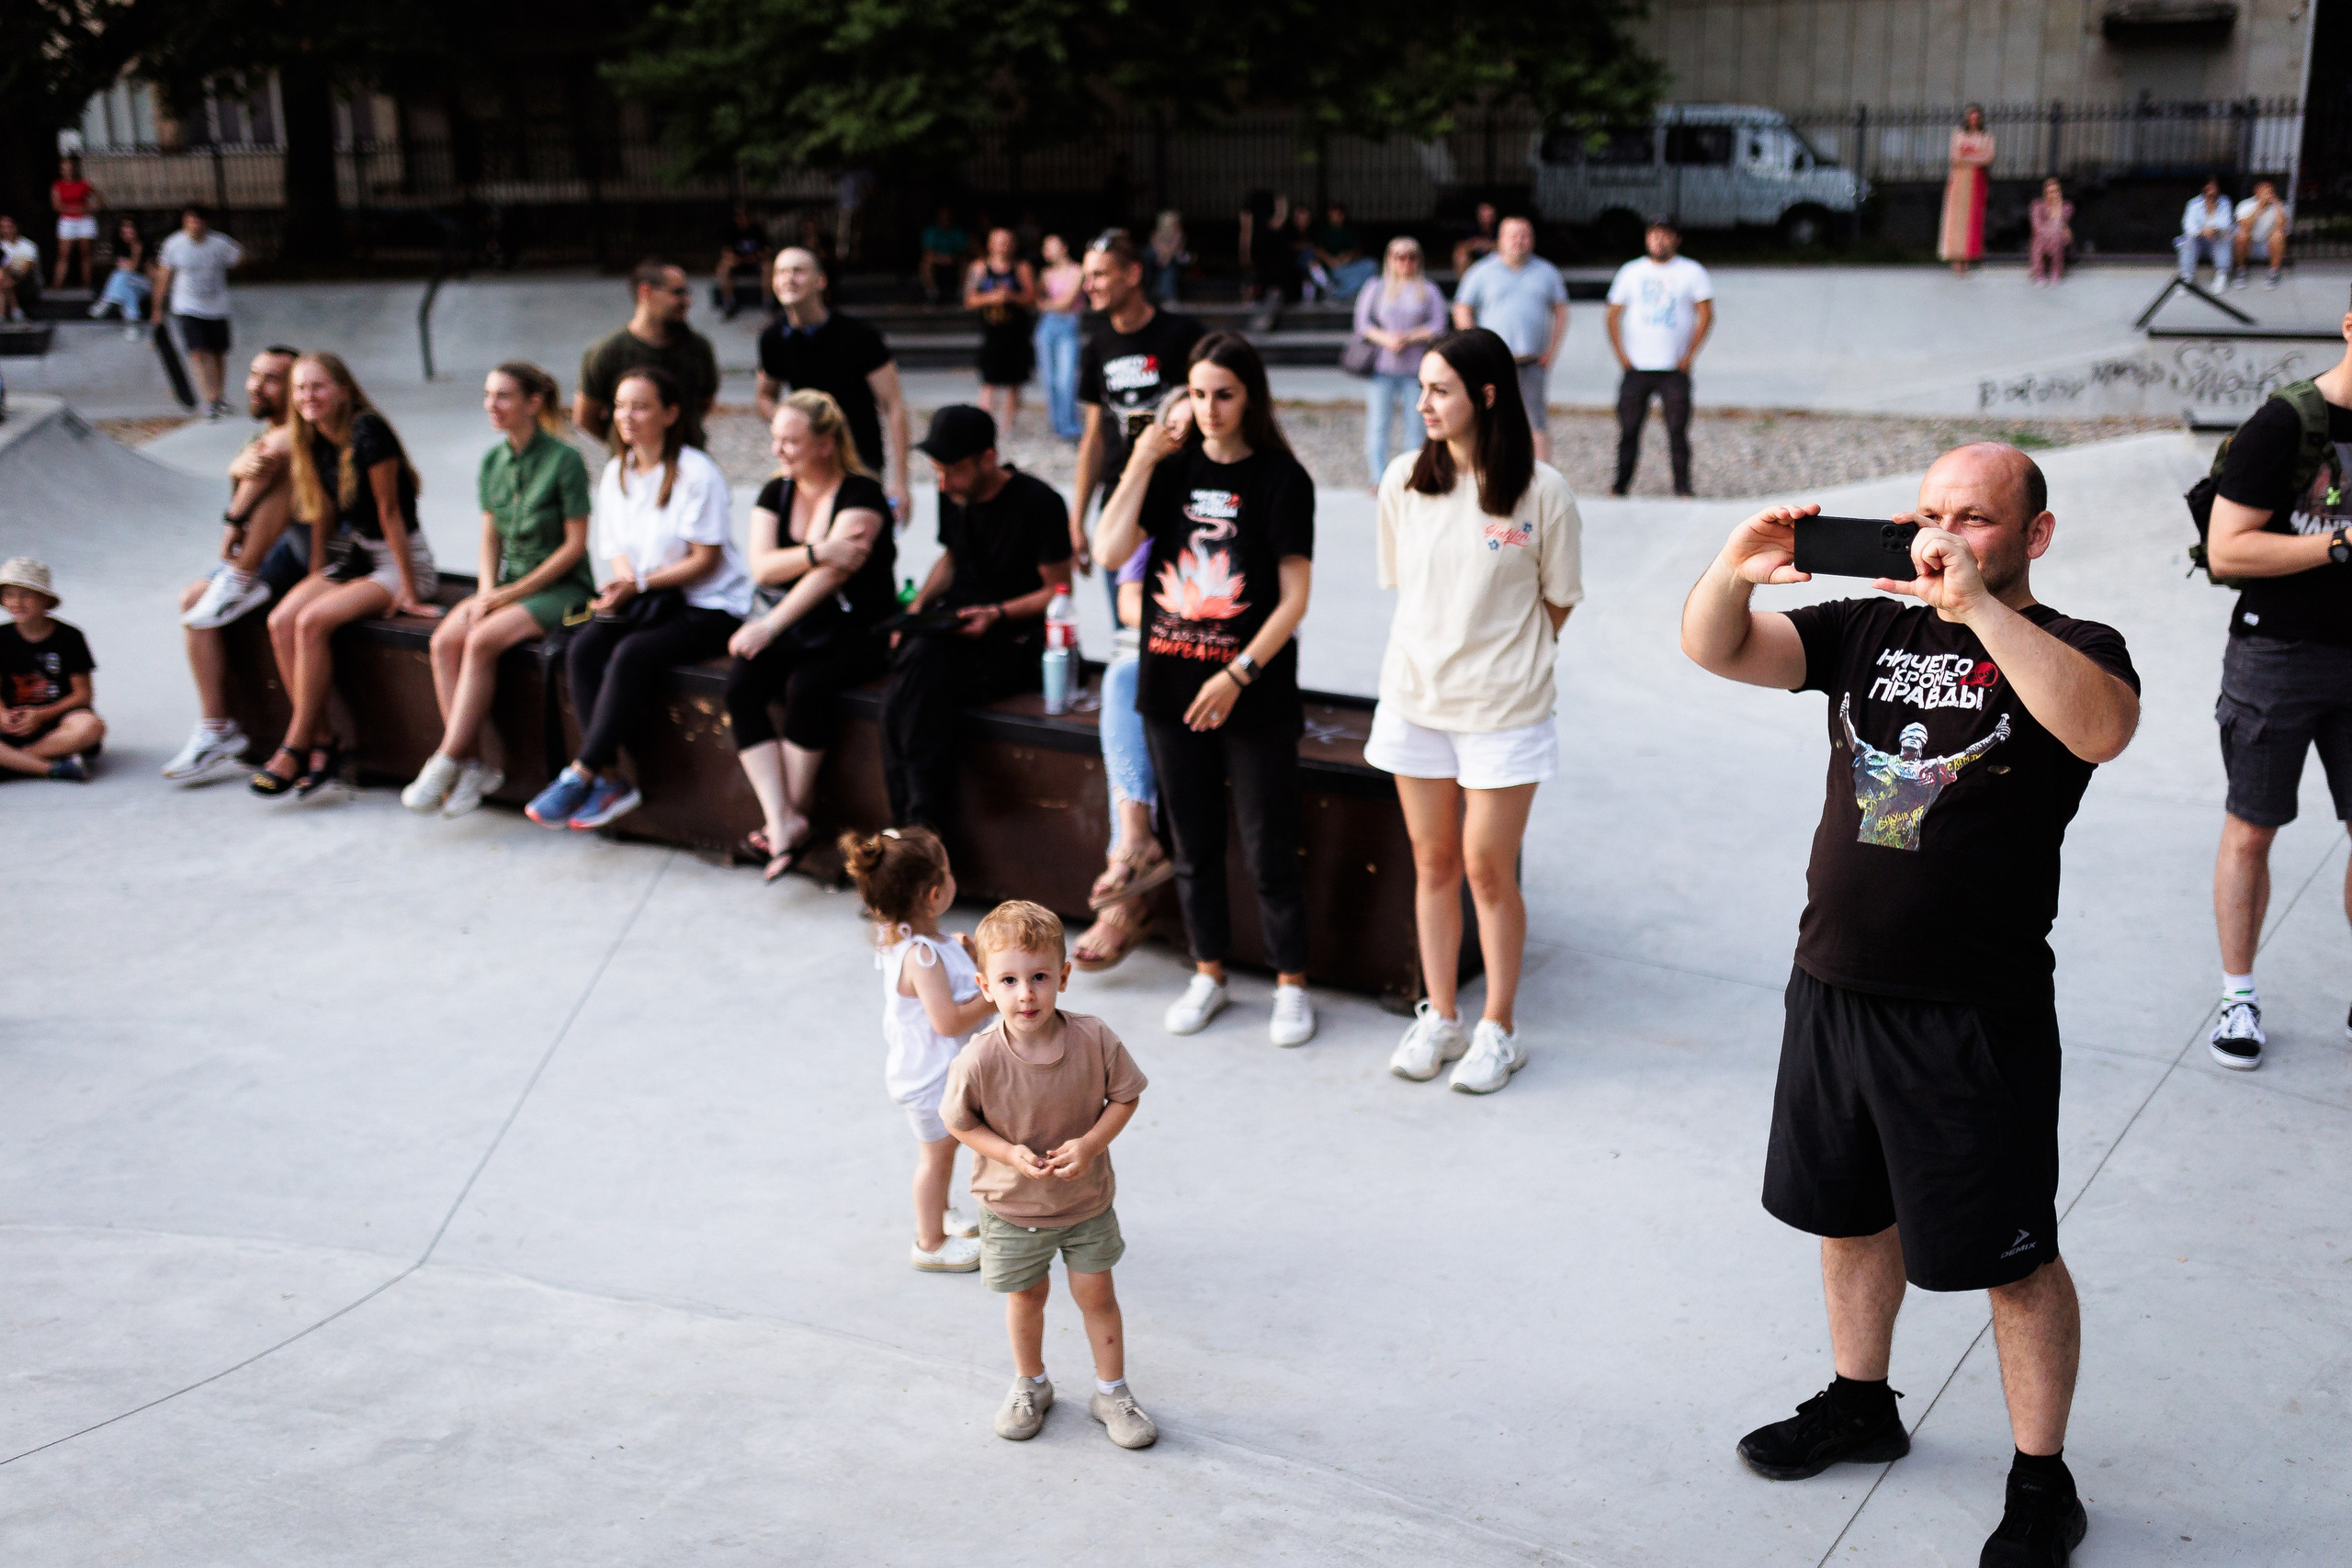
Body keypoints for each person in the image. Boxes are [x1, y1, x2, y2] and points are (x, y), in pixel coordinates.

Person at [1679, 446, 2141, 1568]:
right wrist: (1734, 567)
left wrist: (1978, 607)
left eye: (1974, 520)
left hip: (1971, 1012)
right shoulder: (1863, 630)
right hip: (1834, 983)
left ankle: (2042, 1482)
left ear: (2031, 535)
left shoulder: (2073, 647)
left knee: (2012, 1260)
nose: (1941, 536)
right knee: (1847, 1216)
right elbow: (1717, 647)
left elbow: (2100, 729)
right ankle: (1859, 1402)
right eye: (1929, 515)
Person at [1374, 328, 1582, 1095]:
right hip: (1414, 701)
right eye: (1421, 388)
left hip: (1507, 710)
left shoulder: (1543, 493)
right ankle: (1442, 1016)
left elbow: (1558, 600)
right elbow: (1406, 586)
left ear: (1487, 395)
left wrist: (1508, 660)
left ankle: (1498, 1026)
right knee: (1432, 862)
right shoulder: (1402, 480)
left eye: (1439, 389)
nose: (1422, 402)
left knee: (1487, 869)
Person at [1094, 332, 1318, 1047]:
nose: (1210, 408)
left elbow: (1293, 599)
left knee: (1267, 846)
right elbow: (1105, 551)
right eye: (1197, 394)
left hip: (1251, 689)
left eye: (1224, 393)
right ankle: (1209, 971)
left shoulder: (1284, 479)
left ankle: (1291, 983)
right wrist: (1143, 457)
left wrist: (1237, 674)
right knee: (1189, 843)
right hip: (1170, 688)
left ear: (1249, 395)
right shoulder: (1171, 470)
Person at [2199, 288, 2352, 1071]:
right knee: (2253, 827)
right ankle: (2238, 994)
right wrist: (2340, 545)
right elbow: (2228, 550)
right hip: (2278, 653)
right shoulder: (2287, 423)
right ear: (2351, 326)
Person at [942, 900, 1157, 1450]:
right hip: (1013, 1209)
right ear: (985, 985)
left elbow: (1125, 1097)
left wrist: (1089, 1144)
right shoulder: (980, 1058)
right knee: (1026, 1298)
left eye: (1039, 977)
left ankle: (1113, 1391)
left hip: (1084, 1204)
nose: (1026, 993)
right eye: (1009, 980)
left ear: (1064, 976)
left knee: (1097, 1296)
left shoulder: (1094, 1038)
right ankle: (1030, 1384)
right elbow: (959, 1121)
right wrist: (1009, 1154)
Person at [526, 366, 752, 831]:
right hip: (649, 598)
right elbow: (617, 552)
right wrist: (624, 587)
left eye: (641, 406)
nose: (626, 416)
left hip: (709, 606)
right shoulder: (616, 472)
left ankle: (582, 770)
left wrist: (640, 585)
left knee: (632, 653)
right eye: (622, 405)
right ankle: (610, 780)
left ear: (670, 414)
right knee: (584, 647)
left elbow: (704, 560)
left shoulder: (696, 472)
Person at [401, 363, 594, 819]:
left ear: (533, 403)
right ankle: (474, 764)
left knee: (483, 639)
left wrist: (505, 598)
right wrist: (487, 591)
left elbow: (573, 548)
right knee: (446, 639)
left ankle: (446, 757)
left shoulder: (564, 460)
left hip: (563, 590)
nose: (492, 405)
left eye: (504, 396)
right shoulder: (493, 461)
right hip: (507, 586)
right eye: (488, 395)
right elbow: (490, 538)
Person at [254, 354, 440, 800]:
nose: (307, 398)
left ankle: (296, 744)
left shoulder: (367, 431)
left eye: (317, 387)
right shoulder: (313, 435)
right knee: (281, 620)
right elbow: (323, 514)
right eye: (299, 389)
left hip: (401, 562)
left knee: (311, 622)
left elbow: (389, 512)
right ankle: (322, 738)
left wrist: (411, 592)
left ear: (343, 389)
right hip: (355, 558)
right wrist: (316, 574)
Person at [724, 390, 893, 878]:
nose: (779, 451)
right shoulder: (774, 492)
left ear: (826, 443)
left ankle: (789, 818)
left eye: (792, 441)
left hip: (855, 626)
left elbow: (837, 577)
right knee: (741, 684)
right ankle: (782, 819)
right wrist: (820, 550)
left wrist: (771, 625)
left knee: (809, 686)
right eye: (775, 439)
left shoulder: (862, 493)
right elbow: (762, 566)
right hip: (797, 625)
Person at [880, 405, 1073, 829]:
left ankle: (916, 827)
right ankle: (917, 827)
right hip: (953, 633)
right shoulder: (953, 494)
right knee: (905, 685)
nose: (943, 482)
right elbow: (950, 560)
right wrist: (911, 615)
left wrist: (997, 613)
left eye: (953, 470)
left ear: (987, 458)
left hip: (1013, 641)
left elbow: (1057, 591)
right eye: (936, 471)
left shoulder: (1039, 503)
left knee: (912, 685)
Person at [842, 826, 990, 1272]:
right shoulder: (921, 957)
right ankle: (930, 1243)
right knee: (937, 1157)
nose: (952, 876)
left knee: (944, 1154)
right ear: (933, 894)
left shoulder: (908, 940)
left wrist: (963, 949)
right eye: (946, 871)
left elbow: (943, 955)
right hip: (931, 1081)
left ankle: (942, 1213)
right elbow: (947, 1022)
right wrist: (993, 995)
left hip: (934, 1072)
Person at [164, 346, 308, 785]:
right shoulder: (260, 439)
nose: (254, 387)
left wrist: (232, 515)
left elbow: (248, 513)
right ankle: (216, 727)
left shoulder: (302, 435)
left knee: (207, 598)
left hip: (312, 556)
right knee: (193, 601)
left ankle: (241, 579)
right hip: (271, 552)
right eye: (253, 375)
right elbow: (248, 509)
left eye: (270, 380)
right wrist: (236, 470)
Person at [1071, 231, 1204, 575]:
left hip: (1177, 499)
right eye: (1086, 276)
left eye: (1099, 274)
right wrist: (1077, 521)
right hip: (1120, 499)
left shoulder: (1184, 335)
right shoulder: (1097, 347)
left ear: (1132, 274)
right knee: (1124, 624)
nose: (1089, 285)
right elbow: (1093, 438)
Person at [754, 246, 911, 524]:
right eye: (780, 272)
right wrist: (789, 423)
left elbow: (894, 405)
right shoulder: (772, 339)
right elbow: (765, 396)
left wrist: (901, 481)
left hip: (861, 458)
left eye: (798, 271)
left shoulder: (859, 335)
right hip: (808, 461)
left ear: (821, 281)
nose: (788, 279)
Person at [1070, 543, 1170, 974]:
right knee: (1123, 680)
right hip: (1159, 637)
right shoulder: (1149, 499)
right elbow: (1118, 569)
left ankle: (1127, 888)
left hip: (1237, 650)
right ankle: (1134, 839)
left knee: (1146, 706)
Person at [1605, 218, 1714, 499]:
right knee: (1629, 429)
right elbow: (1613, 314)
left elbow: (1706, 314)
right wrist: (1621, 353)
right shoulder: (1631, 271)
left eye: (1665, 235)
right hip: (1637, 367)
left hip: (1674, 368)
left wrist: (1689, 355)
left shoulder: (1691, 272)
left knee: (1678, 430)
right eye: (1654, 235)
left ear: (1676, 239)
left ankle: (1682, 486)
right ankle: (1620, 485)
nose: (1659, 241)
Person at [1452, 216, 1569, 462]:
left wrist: (1552, 351)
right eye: (1513, 235)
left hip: (1531, 361)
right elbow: (1462, 308)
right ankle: (1484, 473)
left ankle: (1540, 481)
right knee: (1486, 419)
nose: (1519, 240)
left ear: (1533, 240)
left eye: (1525, 235)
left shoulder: (1547, 272)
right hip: (1492, 363)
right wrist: (1475, 348)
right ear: (1500, 240)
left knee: (1535, 422)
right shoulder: (1481, 272)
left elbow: (1561, 311)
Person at [574, 258, 719, 450]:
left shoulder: (699, 347)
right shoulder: (606, 353)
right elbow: (585, 417)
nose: (687, 301)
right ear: (646, 292)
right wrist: (628, 445)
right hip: (633, 470)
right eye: (678, 293)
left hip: (688, 459)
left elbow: (704, 403)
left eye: (687, 293)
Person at [1352, 236, 1448, 487]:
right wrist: (1386, 338)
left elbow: (1439, 325)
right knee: (1378, 424)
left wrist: (1409, 337)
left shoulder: (1428, 290)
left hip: (1416, 371)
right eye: (1399, 256)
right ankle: (1378, 478)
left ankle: (1414, 475)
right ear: (1390, 260)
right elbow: (1362, 324)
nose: (1405, 262)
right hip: (1382, 368)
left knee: (1416, 427)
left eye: (1411, 256)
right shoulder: (1376, 287)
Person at [0, 558, 106, 783]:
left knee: (91, 726)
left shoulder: (70, 637)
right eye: (9, 595)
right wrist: (2, 715)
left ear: (44, 599)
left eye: (26, 595)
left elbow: (82, 695)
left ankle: (14, 763)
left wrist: (40, 715)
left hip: (58, 718)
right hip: (14, 720)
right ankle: (51, 768)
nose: (16, 602)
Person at [153, 206, 245, 418]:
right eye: (191, 220)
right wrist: (157, 309)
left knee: (218, 353)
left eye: (199, 221)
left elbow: (239, 258)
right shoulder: (174, 245)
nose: (195, 225)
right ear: (185, 222)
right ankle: (210, 399)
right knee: (198, 352)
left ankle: (220, 396)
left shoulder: (219, 244)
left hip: (217, 307)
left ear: (206, 223)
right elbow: (164, 277)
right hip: (187, 306)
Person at [965, 227, 1037, 434]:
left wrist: (1011, 297)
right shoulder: (979, 268)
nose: (1002, 246)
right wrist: (991, 298)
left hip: (1016, 332)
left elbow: (1032, 298)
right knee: (989, 381)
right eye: (998, 241)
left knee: (1014, 381)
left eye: (1006, 241)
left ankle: (1008, 426)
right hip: (991, 332)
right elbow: (969, 298)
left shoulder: (1021, 268)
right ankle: (983, 423)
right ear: (990, 244)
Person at [1033, 234, 1086, 442]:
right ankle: (1057, 425)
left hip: (1067, 324)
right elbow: (1038, 300)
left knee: (1066, 379)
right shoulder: (1046, 274)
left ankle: (1070, 426)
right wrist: (1051, 305)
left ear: (1063, 247)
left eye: (1050, 247)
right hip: (1048, 324)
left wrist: (1049, 305)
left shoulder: (1077, 271)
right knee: (1050, 379)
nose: (1047, 251)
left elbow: (1067, 302)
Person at [1940, 107, 1995, 276]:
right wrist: (1976, 157)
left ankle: (1968, 257)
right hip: (1959, 181)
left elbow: (1989, 157)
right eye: (1971, 117)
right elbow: (1955, 158)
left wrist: (1967, 157)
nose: (1973, 120)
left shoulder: (1987, 136)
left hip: (1977, 182)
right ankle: (1956, 258)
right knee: (1956, 218)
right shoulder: (1958, 134)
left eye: (1977, 117)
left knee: (1973, 218)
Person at [88, 217, 151, 334]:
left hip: (145, 284)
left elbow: (135, 269)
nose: (127, 233)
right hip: (130, 284)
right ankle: (132, 326)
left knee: (121, 275)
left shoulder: (144, 245)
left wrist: (137, 251)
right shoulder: (120, 247)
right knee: (129, 289)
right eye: (124, 230)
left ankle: (107, 300)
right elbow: (125, 267)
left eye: (130, 229)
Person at [49, 157, 101, 292]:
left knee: (86, 254)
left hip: (85, 221)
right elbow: (56, 205)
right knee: (64, 254)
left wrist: (88, 209)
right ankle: (57, 284)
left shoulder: (84, 184)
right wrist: (71, 210)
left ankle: (87, 284)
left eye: (70, 168)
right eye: (64, 169)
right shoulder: (58, 185)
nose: (68, 171)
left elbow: (100, 201)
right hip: (67, 220)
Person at [714, 203, 770, 320]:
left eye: (744, 216)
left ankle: (768, 302)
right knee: (723, 268)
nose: (741, 219)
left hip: (755, 262)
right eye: (739, 217)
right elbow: (726, 252)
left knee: (768, 267)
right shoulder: (731, 230)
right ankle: (729, 303)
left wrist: (756, 256)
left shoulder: (757, 230)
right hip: (738, 262)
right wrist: (737, 259)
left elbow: (766, 250)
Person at [2233, 178, 2290, 290]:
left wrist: (2277, 205)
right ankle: (2241, 271)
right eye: (2266, 192)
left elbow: (2282, 226)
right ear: (2257, 192)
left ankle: (2274, 272)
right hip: (2250, 244)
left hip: (2268, 245)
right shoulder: (2245, 205)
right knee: (2241, 235)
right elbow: (2245, 226)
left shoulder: (2279, 206)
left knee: (2278, 235)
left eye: (2271, 191)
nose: (2270, 194)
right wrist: (2259, 207)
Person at [2177, 177, 2233, 288]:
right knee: (2187, 239)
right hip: (2198, 240)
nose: (2211, 191)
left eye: (2214, 187)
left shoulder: (2225, 202)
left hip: (2215, 240)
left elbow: (2226, 223)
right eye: (2209, 188)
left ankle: (2221, 274)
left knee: (2225, 236)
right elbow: (2188, 226)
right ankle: (2187, 277)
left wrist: (2213, 229)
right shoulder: (2193, 204)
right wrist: (2202, 231)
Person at [1314, 203, 1374, 301]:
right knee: (1350, 279)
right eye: (1332, 216)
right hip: (1333, 268)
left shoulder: (1349, 230)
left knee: (1371, 265)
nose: (1335, 218)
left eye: (1337, 215)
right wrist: (1331, 261)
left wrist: (1349, 256)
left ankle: (1344, 292)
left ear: (1342, 215)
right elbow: (1317, 249)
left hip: (1350, 265)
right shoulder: (1324, 231)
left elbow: (1358, 251)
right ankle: (1339, 293)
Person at [2027, 180, 2074, 288]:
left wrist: (2057, 207)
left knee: (2055, 237)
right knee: (2040, 240)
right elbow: (2037, 226)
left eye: (2056, 191)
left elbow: (2061, 224)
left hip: (2060, 237)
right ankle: (2040, 275)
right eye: (2050, 192)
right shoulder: (2037, 206)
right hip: (2043, 237)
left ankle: (2055, 273)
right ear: (2045, 193)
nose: (2054, 194)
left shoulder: (2066, 207)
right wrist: (2050, 231)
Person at [919, 208, 969, 305]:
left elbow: (963, 253)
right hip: (936, 262)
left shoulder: (957, 232)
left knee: (965, 263)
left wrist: (951, 259)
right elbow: (927, 253)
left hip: (954, 262)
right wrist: (942, 259)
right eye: (942, 216)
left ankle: (961, 292)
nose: (945, 218)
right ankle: (932, 293)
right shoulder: (931, 231)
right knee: (925, 264)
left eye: (947, 216)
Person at [0, 215, 43, 323]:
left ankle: (4, 314)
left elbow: (27, 268)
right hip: (5, 280)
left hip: (25, 281)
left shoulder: (28, 245)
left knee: (3, 281)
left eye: (9, 227)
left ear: (16, 227)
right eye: (3, 227)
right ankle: (16, 311)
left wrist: (11, 281)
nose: (6, 230)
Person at [1145, 210, 1190, 306]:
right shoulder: (1156, 234)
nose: (1178, 225)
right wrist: (1164, 256)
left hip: (1168, 261)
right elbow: (1156, 248)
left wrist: (1167, 256)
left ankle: (1168, 297)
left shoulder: (1179, 235)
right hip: (1155, 260)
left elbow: (1177, 252)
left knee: (1170, 267)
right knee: (1148, 255)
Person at [1452, 201, 1500, 277]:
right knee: (1460, 256)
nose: (1486, 219)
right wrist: (1474, 244)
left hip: (1496, 262)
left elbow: (1507, 247)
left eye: (1489, 216)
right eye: (1483, 216)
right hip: (1474, 262)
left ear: (1494, 216)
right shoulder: (1470, 229)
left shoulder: (1501, 229)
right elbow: (1460, 247)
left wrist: (1490, 245)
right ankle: (1464, 285)